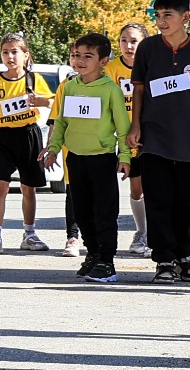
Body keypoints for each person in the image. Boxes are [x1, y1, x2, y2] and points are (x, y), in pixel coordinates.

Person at [126, 0, 190, 283]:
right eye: (158, 15)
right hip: (154, 137)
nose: (162, 21)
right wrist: (135, 125)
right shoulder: (149, 47)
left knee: (183, 201)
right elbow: (139, 89)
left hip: (188, 138)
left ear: (185, 17)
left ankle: (183, 256)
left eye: (168, 15)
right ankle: (163, 258)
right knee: (158, 199)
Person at [48, 30, 130, 283]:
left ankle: (107, 260)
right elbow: (61, 122)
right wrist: (53, 149)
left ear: (103, 61)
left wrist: (125, 156)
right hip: (75, 158)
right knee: (82, 212)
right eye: (75, 55)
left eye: (87, 56)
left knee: (104, 213)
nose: (80, 61)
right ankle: (93, 253)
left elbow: (122, 127)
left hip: (101, 159)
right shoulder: (69, 86)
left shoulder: (110, 90)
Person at [0, 34, 52, 255]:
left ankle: (29, 233)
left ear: (25, 55)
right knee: (0, 185)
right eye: (5, 52)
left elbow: (54, 102)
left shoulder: (33, 79)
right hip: (3, 136)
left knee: (28, 187)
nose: (10, 56)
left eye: (15, 52)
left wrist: (41, 101)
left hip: (28, 134)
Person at [107, 20, 150, 257]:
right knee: (136, 187)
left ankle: (153, 234)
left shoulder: (152, 64)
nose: (128, 45)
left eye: (134, 41)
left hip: (151, 132)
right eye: (124, 40)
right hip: (123, 135)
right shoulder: (112, 68)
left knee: (154, 185)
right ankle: (141, 232)